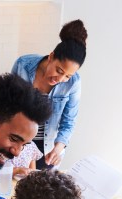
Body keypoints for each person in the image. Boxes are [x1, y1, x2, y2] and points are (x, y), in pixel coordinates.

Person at [11, 19, 88, 170]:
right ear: (51, 56)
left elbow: (68, 122)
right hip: (19, 143)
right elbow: (9, 104)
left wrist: (58, 149)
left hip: (47, 150)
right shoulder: (23, 65)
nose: (60, 79)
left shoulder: (74, 83)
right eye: (59, 70)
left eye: (67, 76)